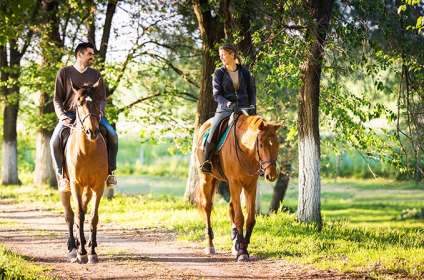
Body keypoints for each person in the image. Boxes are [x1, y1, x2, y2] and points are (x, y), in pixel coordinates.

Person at [50, 42, 118, 190]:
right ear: (79, 55)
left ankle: (110, 173)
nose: (92, 57)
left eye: (92, 54)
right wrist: (62, 116)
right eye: (89, 54)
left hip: (92, 114)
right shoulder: (64, 72)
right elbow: (57, 98)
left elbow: (101, 98)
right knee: (54, 141)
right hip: (69, 114)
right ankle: (62, 176)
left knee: (113, 135)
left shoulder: (95, 75)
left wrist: (99, 112)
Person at [199, 44, 256, 173]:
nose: (221, 58)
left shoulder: (245, 72)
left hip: (245, 108)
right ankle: (206, 161)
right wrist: (229, 104)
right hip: (225, 109)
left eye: (223, 54)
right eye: (220, 55)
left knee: (260, 131)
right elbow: (216, 95)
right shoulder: (219, 73)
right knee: (214, 129)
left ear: (232, 54)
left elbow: (251, 92)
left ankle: (262, 164)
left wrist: (252, 106)